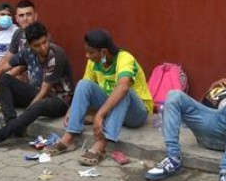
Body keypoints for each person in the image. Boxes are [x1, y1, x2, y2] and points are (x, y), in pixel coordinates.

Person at [46, 29, 152, 166]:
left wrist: (99, 115)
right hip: (114, 108)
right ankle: (69, 138)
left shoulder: (125, 58)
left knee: (123, 90)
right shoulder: (94, 62)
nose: (87, 55)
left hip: (136, 113)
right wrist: (72, 110)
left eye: (90, 52)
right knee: (84, 84)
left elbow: (123, 87)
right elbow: (84, 88)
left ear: (103, 52)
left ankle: (101, 145)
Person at [0, 21, 73, 152]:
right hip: (38, 92)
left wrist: (26, 114)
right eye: (37, 45)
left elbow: (44, 92)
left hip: (60, 100)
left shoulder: (56, 55)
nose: (43, 48)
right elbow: (1, 69)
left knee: (38, 105)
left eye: (44, 42)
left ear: (47, 38)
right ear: (29, 45)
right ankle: (12, 123)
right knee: (5, 79)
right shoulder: (27, 52)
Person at [0, 0, 38, 111]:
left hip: (35, 85)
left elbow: (22, 67)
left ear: (36, 16)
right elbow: (6, 59)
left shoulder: (39, 36)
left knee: (4, 81)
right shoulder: (19, 33)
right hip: (19, 76)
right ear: (17, 18)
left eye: (29, 14)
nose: (25, 18)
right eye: (22, 15)